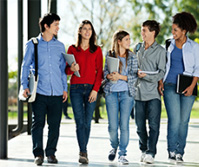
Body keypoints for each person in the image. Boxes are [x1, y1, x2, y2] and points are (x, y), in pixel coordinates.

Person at [20, 13, 68, 165]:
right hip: (39, 91)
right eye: (56, 25)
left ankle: (51, 153)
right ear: (46, 26)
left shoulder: (60, 46)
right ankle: (38, 154)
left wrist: (64, 88)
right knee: (38, 123)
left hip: (57, 92)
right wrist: (24, 85)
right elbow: (25, 66)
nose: (58, 28)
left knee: (55, 124)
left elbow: (62, 70)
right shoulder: (32, 43)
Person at [158, 12, 199, 162]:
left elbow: (198, 69)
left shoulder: (194, 46)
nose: (173, 32)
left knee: (184, 121)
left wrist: (191, 86)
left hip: (188, 86)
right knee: (174, 119)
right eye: (172, 29)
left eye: (176, 29)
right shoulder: (168, 43)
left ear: (184, 31)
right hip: (170, 84)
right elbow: (163, 65)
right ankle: (171, 150)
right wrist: (160, 81)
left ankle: (179, 151)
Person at [65, 20, 103, 164]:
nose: (87, 32)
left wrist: (95, 90)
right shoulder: (72, 49)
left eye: (90, 29)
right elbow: (67, 71)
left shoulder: (97, 50)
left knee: (87, 122)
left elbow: (100, 72)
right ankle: (83, 151)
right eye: (85, 29)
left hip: (91, 90)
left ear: (92, 32)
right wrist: (72, 70)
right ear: (80, 31)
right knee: (79, 122)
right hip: (75, 88)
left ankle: (83, 150)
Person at [103, 30, 138, 165]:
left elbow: (135, 77)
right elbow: (105, 71)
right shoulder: (110, 55)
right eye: (126, 40)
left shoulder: (133, 57)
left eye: (129, 39)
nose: (129, 42)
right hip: (111, 93)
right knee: (112, 126)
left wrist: (120, 77)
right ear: (119, 41)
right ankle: (114, 146)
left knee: (124, 125)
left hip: (126, 94)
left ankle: (122, 154)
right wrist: (108, 76)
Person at [134, 20, 166, 164]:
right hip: (138, 93)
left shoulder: (160, 51)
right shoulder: (137, 48)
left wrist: (146, 76)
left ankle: (151, 153)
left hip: (153, 94)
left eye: (144, 30)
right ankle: (143, 149)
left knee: (153, 125)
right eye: (142, 30)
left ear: (153, 32)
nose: (142, 33)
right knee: (139, 126)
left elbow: (161, 73)